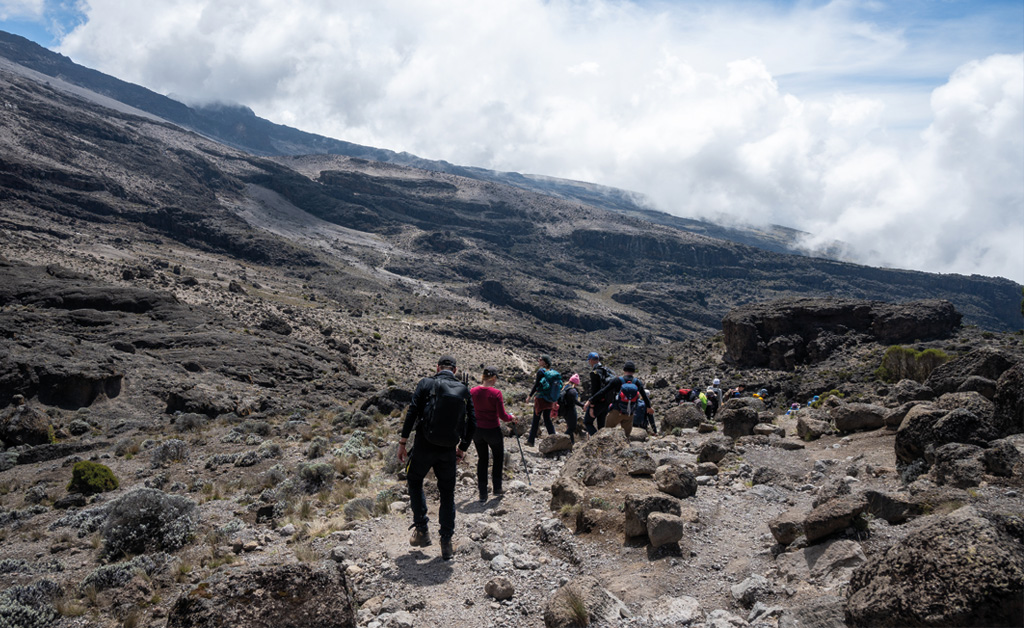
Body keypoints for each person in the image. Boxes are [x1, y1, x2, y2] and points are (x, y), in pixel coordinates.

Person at [398, 355, 475, 560]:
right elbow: (472, 423)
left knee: (414, 480)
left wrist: (403, 443)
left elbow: (412, 412)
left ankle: (422, 530)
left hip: (424, 445)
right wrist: (462, 448)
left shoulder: (426, 383)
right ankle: (446, 541)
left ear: (437, 367)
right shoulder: (464, 390)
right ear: (455, 370)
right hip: (449, 450)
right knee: (447, 493)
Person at [470, 366, 516, 502]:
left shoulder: (473, 391)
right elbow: (503, 416)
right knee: (498, 458)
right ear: (494, 378)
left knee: (482, 460)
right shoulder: (496, 393)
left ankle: (482, 493)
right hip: (492, 430)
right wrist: (511, 418)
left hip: (477, 430)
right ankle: (497, 488)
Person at [590, 361, 653, 439]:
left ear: (624, 370)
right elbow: (645, 397)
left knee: (607, 434)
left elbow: (603, 391)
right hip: (629, 414)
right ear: (633, 371)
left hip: (616, 412)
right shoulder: (637, 382)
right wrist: (649, 407)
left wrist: (591, 400)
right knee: (626, 437)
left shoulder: (617, 380)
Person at [525, 355, 558, 447]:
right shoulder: (551, 372)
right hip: (549, 399)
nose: (538, 361)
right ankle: (554, 439)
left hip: (540, 399)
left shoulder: (541, 372)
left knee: (536, 419)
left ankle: (531, 441)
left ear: (545, 362)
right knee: (547, 419)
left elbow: (536, 385)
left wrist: (529, 396)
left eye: (540, 360)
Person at [582, 352, 614, 435]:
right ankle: (603, 442)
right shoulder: (605, 370)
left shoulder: (595, 373)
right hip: (606, 402)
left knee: (587, 422)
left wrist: (591, 405)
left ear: (591, 360)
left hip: (597, 402)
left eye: (589, 361)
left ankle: (597, 440)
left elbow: (595, 390)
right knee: (601, 426)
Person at [558, 373, 585, 444]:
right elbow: (575, 401)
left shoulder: (565, 387)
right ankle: (561, 440)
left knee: (570, 427)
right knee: (572, 428)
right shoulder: (572, 391)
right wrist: (583, 405)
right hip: (571, 410)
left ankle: (572, 442)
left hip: (564, 410)